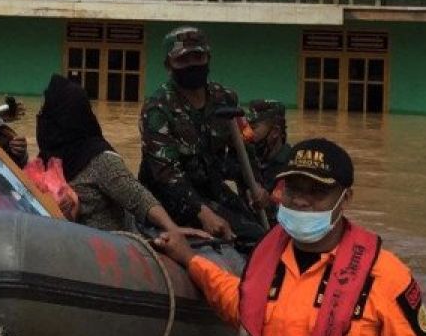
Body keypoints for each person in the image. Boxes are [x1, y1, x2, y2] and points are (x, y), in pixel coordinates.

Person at [152, 139, 426, 336]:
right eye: (293, 190)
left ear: (345, 199)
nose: (301, 201)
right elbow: (239, 305)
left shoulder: (385, 276)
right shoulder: (265, 261)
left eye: (316, 192)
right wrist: (189, 259)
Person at [139, 27, 268, 242]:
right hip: (171, 198)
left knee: (270, 225)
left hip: (212, 188)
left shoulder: (225, 99)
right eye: (183, 60)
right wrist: (204, 214)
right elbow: (166, 174)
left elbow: (244, 151)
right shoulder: (158, 108)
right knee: (252, 236)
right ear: (168, 65)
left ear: (208, 58)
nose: (192, 65)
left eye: (198, 57)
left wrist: (254, 188)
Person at [38, 74, 202, 238]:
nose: (41, 118)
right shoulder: (47, 159)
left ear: (64, 118)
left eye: (46, 112)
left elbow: (137, 196)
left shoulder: (100, 159)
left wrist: (171, 227)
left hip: (108, 248)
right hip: (65, 244)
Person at [246, 99, 293, 192]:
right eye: (246, 127)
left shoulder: (290, 166)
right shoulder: (247, 156)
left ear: (275, 132)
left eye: (253, 128)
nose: (247, 133)